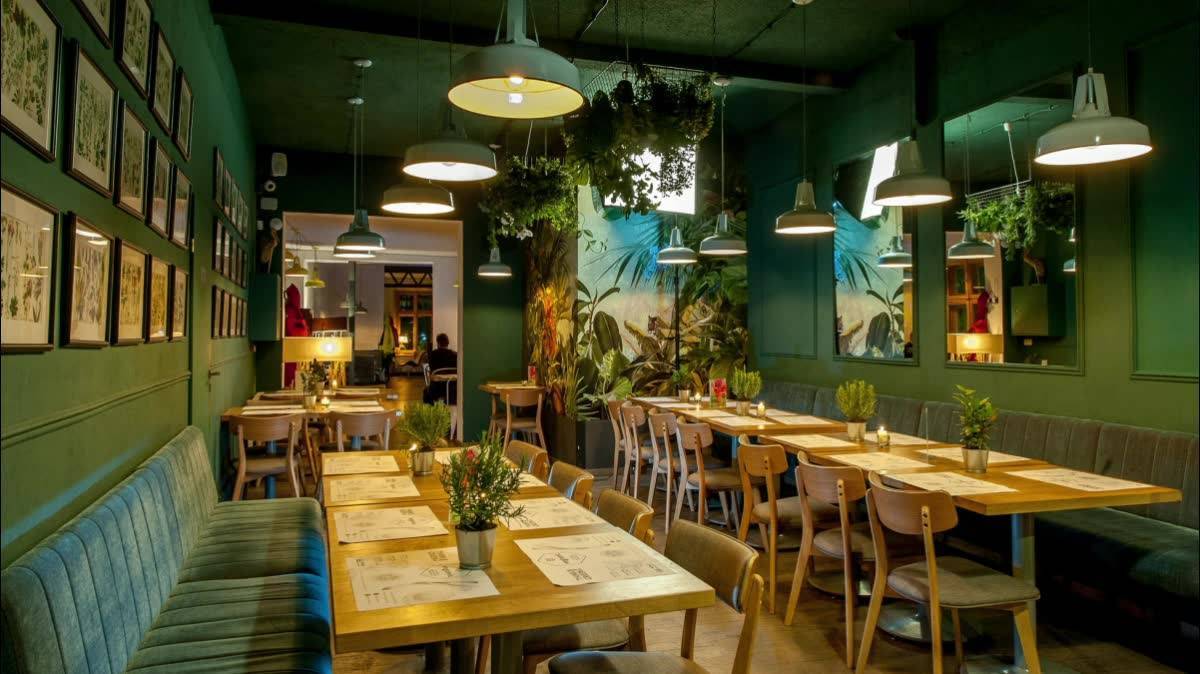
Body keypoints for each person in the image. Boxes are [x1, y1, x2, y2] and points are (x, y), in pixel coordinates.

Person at [423, 333, 458, 404]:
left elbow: (431, 369)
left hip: (436, 388)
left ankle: (431, 409)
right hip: (452, 387)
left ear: (438, 343)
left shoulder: (433, 354)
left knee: (426, 392)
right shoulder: (455, 355)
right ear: (447, 343)